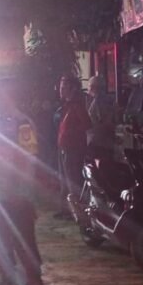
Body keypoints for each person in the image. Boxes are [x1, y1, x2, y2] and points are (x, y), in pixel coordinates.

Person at [0, 77, 45, 285]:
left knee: (23, 240)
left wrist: (23, 191)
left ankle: (35, 283)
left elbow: (28, 159)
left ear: (10, 96)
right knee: (0, 239)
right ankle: (7, 281)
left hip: (16, 193)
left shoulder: (22, 123)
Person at [55, 74, 91, 219]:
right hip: (63, 147)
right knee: (64, 179)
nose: (61, 90)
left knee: (72, 180)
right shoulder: (67, 105)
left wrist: (73, 134)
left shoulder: (77, 105)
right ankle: (65, 209)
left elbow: (87, 125)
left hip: (73, 149)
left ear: (72, 88)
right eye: (60, 87)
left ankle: (76, 211)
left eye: (64, 87)